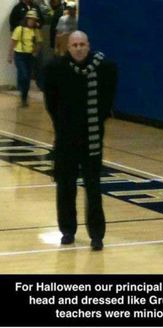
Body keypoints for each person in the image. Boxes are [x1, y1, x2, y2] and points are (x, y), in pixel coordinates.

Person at [43, 31, 117, 250]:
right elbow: (51, 102)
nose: (78, 48)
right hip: (66, 139)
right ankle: (67, 230)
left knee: (93, 188)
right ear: (68, 47)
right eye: (74, 44)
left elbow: (106, 101)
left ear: (88, 45)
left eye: (82, 44)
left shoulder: (104, 68)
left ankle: (96, 235)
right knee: (65, 187)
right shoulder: (56, 69)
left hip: (92, 140)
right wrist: (62, 125)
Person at [8, 10, 43, 107]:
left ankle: (24, 97)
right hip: (19, 55)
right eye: (30, 19)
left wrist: (36, 51)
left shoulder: (36, 31)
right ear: (26, 19)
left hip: (30, 56)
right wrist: (10, 56)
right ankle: (21, 90)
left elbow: (39, 43)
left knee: (27, 77)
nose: (32, 21)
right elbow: (13, 43)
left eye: (34, 19)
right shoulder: (19, 29)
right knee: (23, 74)